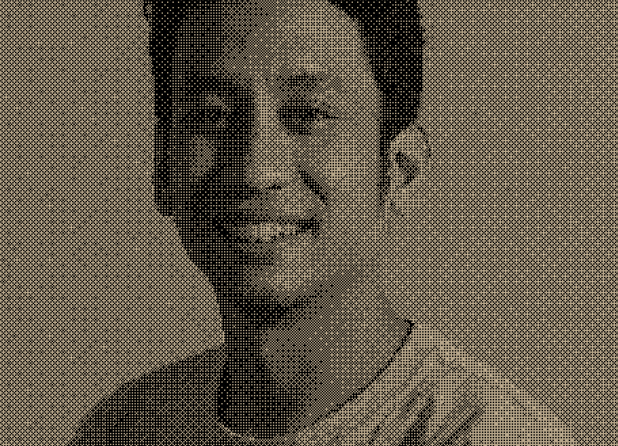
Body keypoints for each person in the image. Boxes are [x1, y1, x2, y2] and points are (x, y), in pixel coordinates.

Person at [68, 0, 576, 444]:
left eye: (307, 114)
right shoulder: (124, 429)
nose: (256, 170)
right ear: (162, 165)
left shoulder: (496, 435)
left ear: (400, 168)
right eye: (212, 115)